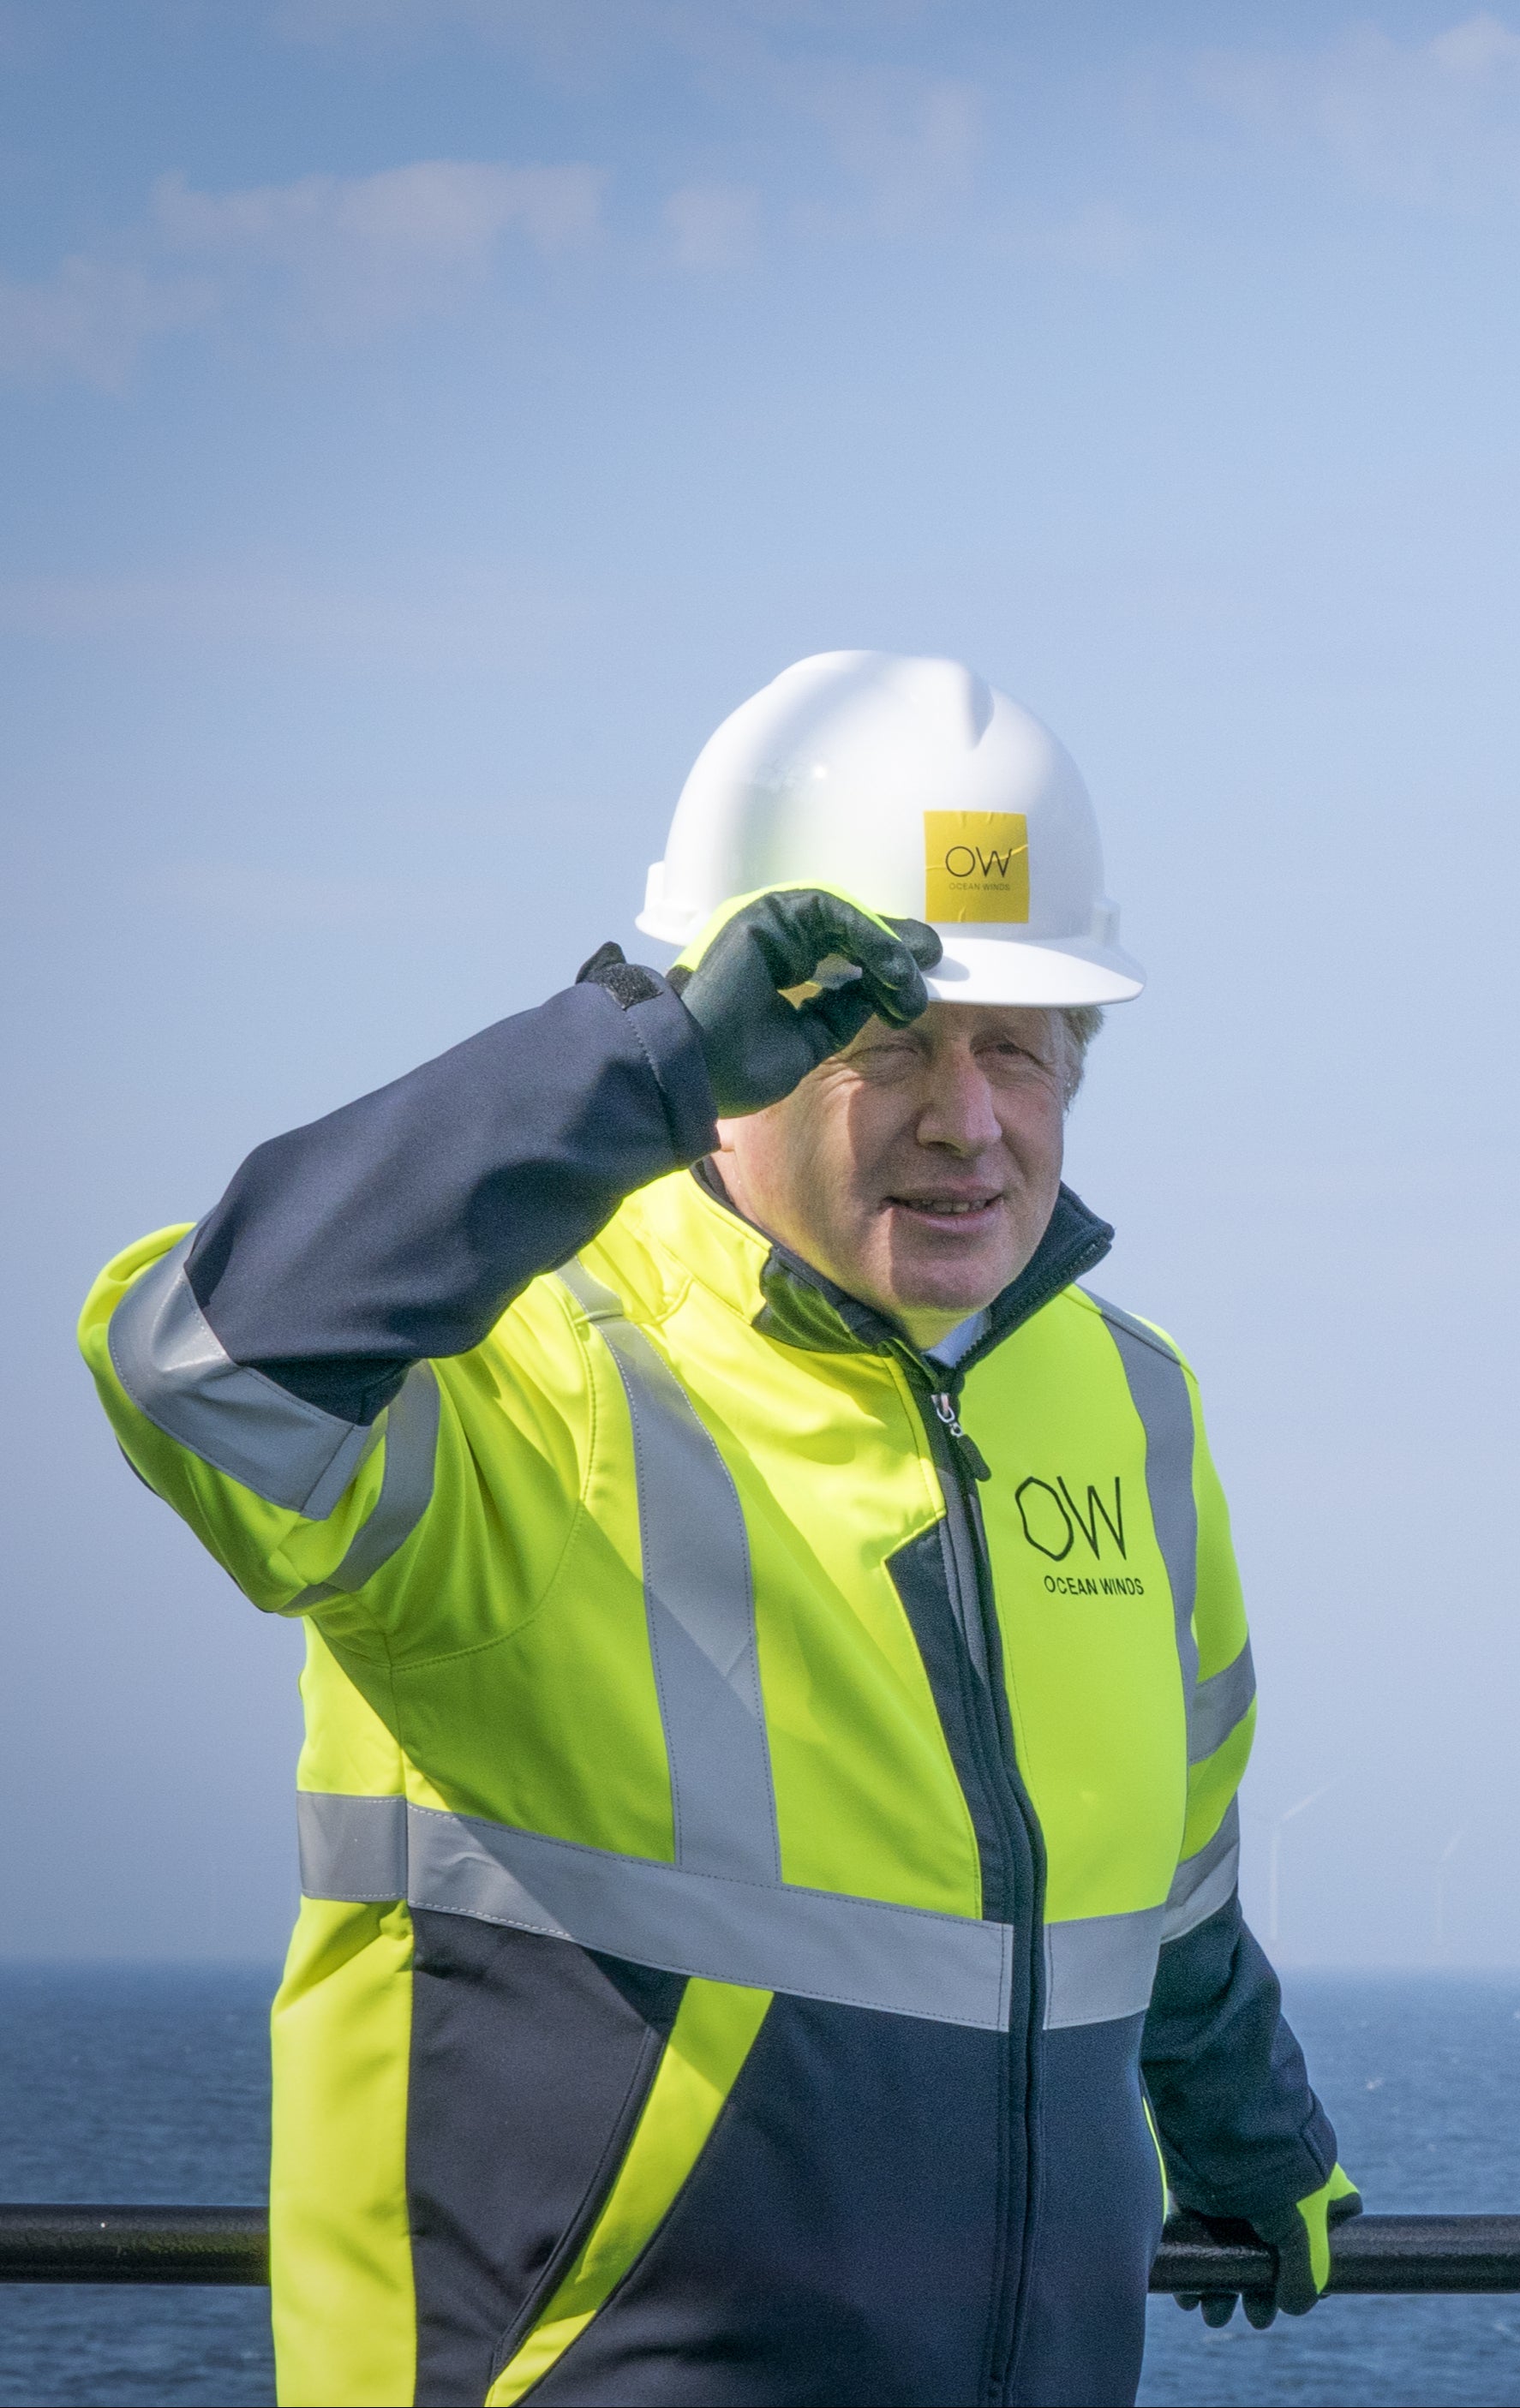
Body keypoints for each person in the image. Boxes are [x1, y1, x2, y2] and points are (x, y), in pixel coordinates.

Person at [80, 651, 1354, 2406]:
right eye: (885, 1038)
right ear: (740, 1052)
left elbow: (1172, 1863)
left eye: (1017, 1046)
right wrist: (627, 1061)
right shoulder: (530, 1364)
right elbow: (195, 1369)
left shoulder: (1129, 1403)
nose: (966, 1115)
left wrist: (1246, 2130)